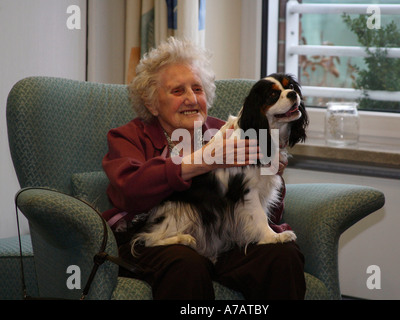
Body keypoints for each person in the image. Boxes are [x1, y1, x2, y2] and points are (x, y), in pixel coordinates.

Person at [102, 37, 306, 300]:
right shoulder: (129, 137)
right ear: (152, 103)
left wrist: (271, 170)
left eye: (197, 89)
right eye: (178, 91)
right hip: (154, 238)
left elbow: (267, 209)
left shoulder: (232, 131)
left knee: (282, 255)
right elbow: (129, 191)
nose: (191, 99)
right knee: (186, 265)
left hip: (224, 238)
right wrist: (204, 161)